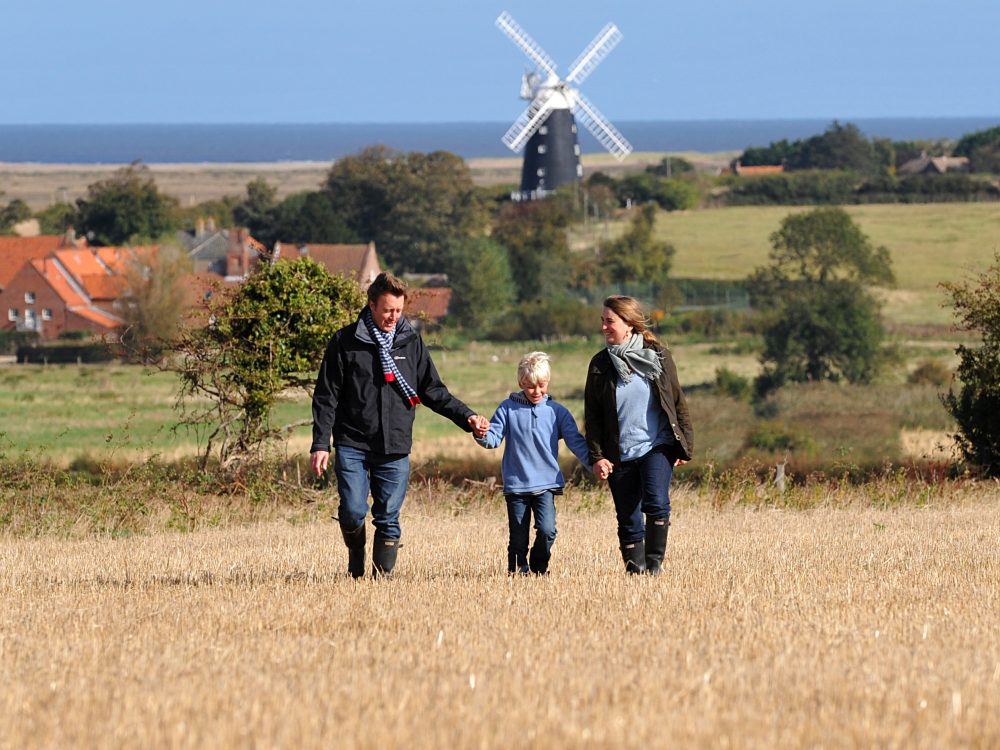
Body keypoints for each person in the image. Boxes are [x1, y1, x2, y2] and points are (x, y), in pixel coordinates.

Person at [310, 272, 489, 579]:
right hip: (353, 443)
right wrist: (320, 444)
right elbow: (327, 396)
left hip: (394, 445)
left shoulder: (410, 342)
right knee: (353, 512)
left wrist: (467, 417)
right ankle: (356, 556)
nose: (393, 317)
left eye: (398, 310)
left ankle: (383, 582)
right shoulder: (345, 342)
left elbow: (433, 391)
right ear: (371, 305)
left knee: (388, 518)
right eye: (387, 310)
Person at [584, 296, 693, 575]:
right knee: (628, 518)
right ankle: (636, 573)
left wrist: (684, 447)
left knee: (656, 502)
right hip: (619, 453)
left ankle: (654, 568)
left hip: (656, 445)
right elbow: (593, 418)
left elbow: (677, 402)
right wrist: (597, 456)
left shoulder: (658, 356)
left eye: (610, 321)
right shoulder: (599, 365)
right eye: (603, 321)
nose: (604, 327)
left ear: (629, 325)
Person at [473, 352, 591, 575]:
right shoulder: (507, 409)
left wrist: (595, 463)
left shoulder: (557, 413)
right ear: (521, 383)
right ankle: (517, 572)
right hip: (516, 486)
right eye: (529, 386)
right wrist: (480, 432)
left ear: (548, 382)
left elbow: (576, 442)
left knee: (547, 531)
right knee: (518, 537)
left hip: (546, 484)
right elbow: (493, 439)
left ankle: (538, 568)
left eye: (541, 385)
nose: (536, 391)